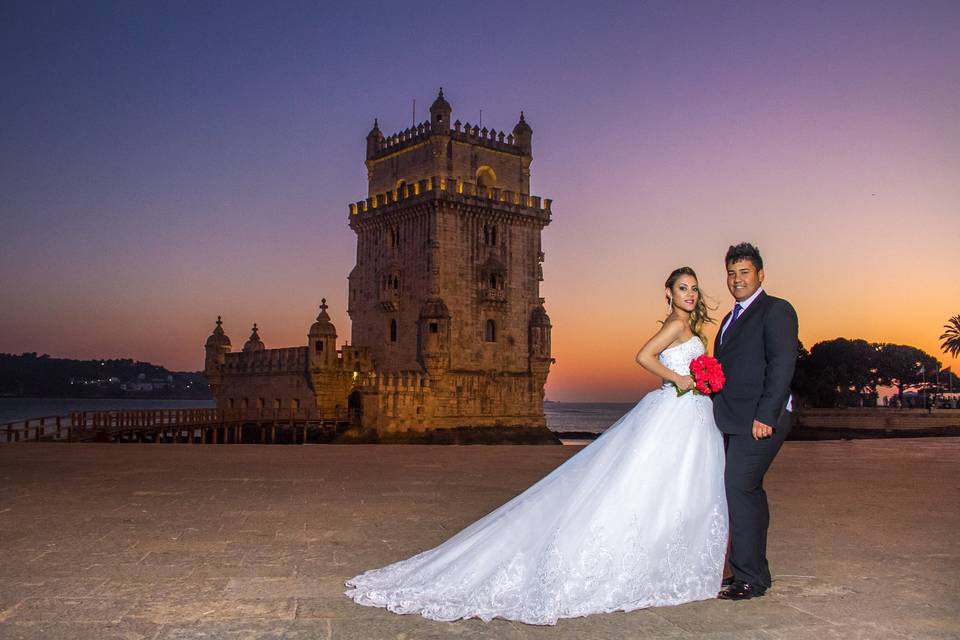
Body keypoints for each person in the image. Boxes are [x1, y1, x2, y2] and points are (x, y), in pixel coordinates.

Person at [344, 267, 728, 625]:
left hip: (692, 416)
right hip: (674, 408)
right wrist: (680, 378)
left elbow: (694, 362)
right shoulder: (676, 324)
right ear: (669, 293)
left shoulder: (695, 328)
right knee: (650, 482)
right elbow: (644, 356)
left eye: (694, 289)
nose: (690, 294)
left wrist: (701, 380)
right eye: (683, 288)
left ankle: (668, 557)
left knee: (673, 484)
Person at [712, 243, 798, 601]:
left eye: (744, 272)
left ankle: (748, 578)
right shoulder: (728, 319)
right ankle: (755, 572)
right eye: (732, 273)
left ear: (760, 275)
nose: (737, 279)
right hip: (734, 418)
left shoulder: (776, 310)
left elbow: (781, 365)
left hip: (762, 418)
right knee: (747, 490)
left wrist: (766, 415)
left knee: (739, 486)